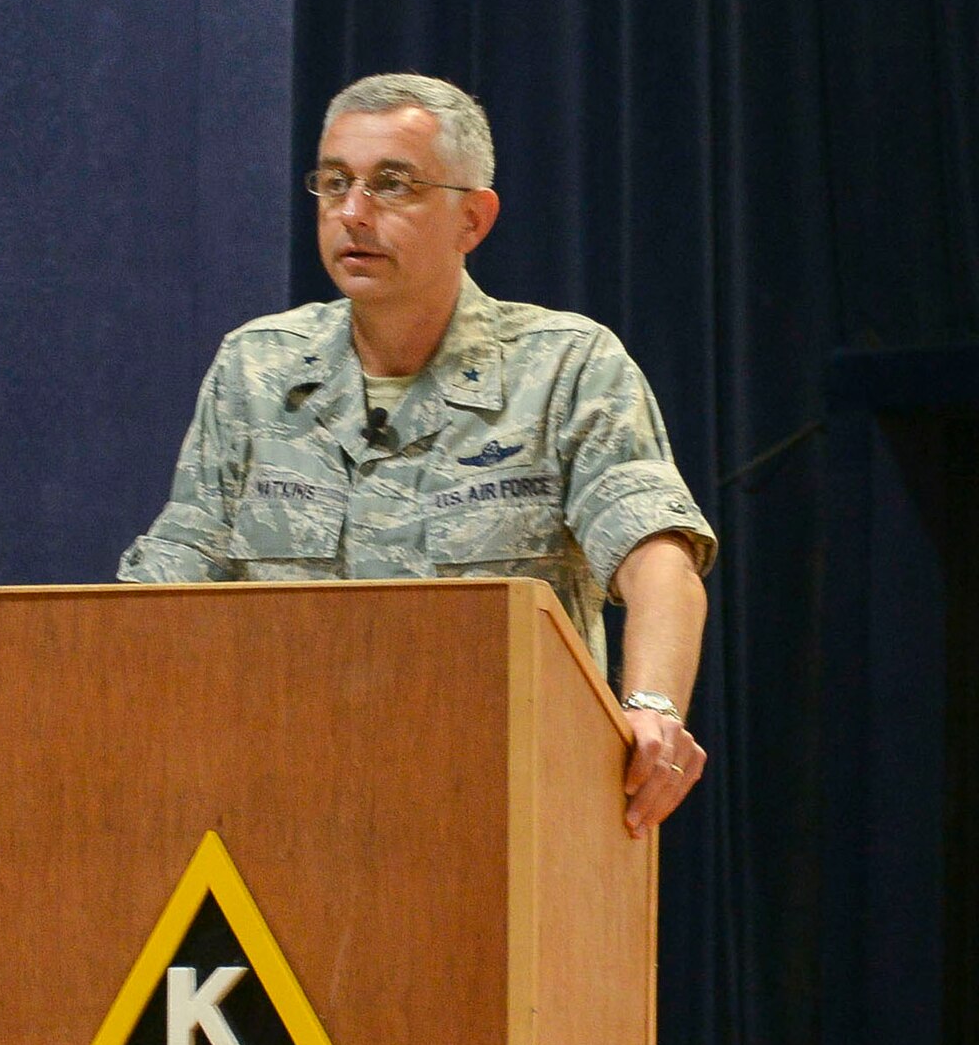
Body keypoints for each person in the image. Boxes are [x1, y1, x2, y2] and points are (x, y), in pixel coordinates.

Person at [119, 73, 715, 836]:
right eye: (335, 184)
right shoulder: (257, 369)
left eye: (391, 185)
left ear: (472, 218)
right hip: (278, 808)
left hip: (499, 809)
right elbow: (174, 570)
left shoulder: (565, 367)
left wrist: (653, 708)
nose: (353, 213)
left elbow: (656, 554)